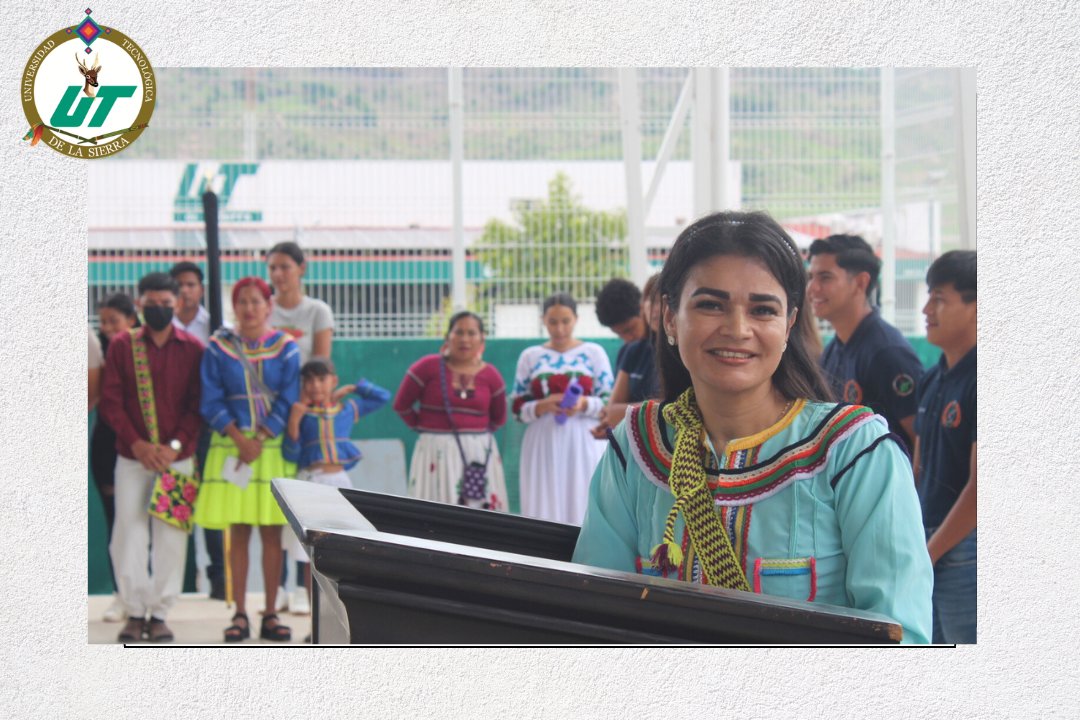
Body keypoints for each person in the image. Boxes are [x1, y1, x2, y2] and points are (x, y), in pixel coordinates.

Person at [572, 211, 932, 644]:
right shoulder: (636, 448)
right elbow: (596, 622)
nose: (737, 329)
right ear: (669, 316)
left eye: (762, 309)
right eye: (710, 304)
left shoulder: (855, 454)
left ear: (789, 323)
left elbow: (900, 637)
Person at [98, 274, 204, 643]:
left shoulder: (193, 348)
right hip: (132, 458)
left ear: (177, 305)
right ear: (139, 305)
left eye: (166, 303)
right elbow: (111, 402)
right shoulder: (122, 347)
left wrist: (173, 447)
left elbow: (197, 406)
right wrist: (139, 444)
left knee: (171, 536)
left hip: (177, 459)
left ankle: (159, 612)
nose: (158, 308)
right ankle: (135, 609)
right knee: (127, 532)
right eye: (151, 303)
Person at [194, 277, 300, 642]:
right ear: (234, 307)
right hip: (232, 448)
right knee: (236, 532)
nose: (250, 308)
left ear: (269, 306)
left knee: (272, 533)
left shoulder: (286, 347)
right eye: (243, 302)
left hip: (270, 450)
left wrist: (262, 435)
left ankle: (270, 613)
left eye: (257, 301)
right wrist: (239, 437)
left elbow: (289, 396)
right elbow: (210, 399)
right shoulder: (219, 347)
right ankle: (239, 613)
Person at [284, 357, 390, 619]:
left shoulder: (346, 409)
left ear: (334, 381)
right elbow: (290, 453)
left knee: (341, 547)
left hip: (340, 484)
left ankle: (340, 616)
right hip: (309, 484)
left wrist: (354, 388)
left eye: (322, 379)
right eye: (308, 380)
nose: (315, 385)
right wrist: (294, 421)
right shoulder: (301, 413)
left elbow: (382, 397)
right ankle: (315, 620)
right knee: (310, 553)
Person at [807, 234, 925, 452]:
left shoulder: (887, 352)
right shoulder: (835, 348)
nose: (812, 288)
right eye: (810, 277)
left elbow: (923, 442)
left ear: (861, 282)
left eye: (825, 278)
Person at [267, 241, 334, 614]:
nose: (278, 274)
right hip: (270, 419)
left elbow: (321, 363)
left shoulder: (316, 311)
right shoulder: (265, 309)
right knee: (274, 507)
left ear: (301, 268)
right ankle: (283, 588)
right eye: (272, 267)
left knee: (305, 504)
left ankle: (309, 584)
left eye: (285, 267)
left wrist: (307, 407)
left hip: (305, 419)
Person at [914, 250, 977, 644]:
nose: (926, 309)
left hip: (963, 548)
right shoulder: (934, 376)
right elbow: (918, 467)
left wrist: (930, 552)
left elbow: (982, 488)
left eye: (939, 299)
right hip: (928, 541)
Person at [512, 293, 614, 525]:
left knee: (583, 496)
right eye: (553, 322)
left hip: (584, 439)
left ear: (576, 319)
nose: (559, 329)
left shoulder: (593, 353)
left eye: (565, 321)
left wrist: (583, 404)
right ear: (543, 321)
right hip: (542, 441)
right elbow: (517, 408)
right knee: (543, 500)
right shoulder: (530, 357)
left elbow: (609, 400)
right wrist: (543, 405)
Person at [394, 311, 509, 510]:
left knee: (480, 519)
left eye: (472, 333)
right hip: (434, 452)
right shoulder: (426, 367)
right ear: (448, 337)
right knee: (433, 514)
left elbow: (499, 418)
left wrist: (473, 435)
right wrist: (428, 429)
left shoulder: (491, 375)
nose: (465, 339)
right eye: (459, 332)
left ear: (482, 338)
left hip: (478, 454)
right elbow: (401, 405)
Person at [168, 261, 225, 601]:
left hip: (212, 429)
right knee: (175, 502)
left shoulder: (218, 327)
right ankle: (177, 582)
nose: (185, 291)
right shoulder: (160, 329)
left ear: (201, 288)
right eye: (179, 285)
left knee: (212, 501)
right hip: (173, 431)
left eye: (190, 284)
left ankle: (220, 579)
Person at [90, 293, 141, 624]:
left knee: (146, 525)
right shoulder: (102, 351)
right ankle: (121, 596)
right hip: (110, 446)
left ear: (132, 320)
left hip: (146, 450)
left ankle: (145, 597)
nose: (107, 328)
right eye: (103, 322)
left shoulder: (145, 351)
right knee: (116, 522)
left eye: (114, 321)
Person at [599, 273, 661, 431]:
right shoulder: (631, 351)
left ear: (641, 309)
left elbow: (676, 409)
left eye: (630, 329)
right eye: (619, 334)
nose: (627, 337)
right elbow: (612, 412)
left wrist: (624, 413)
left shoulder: (681, 350)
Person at [594, 277, 647, 372]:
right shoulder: (626, 353)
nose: (628, 339)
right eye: (620, 334)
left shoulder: (668, 348)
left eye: (630, 330)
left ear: (643, 308)